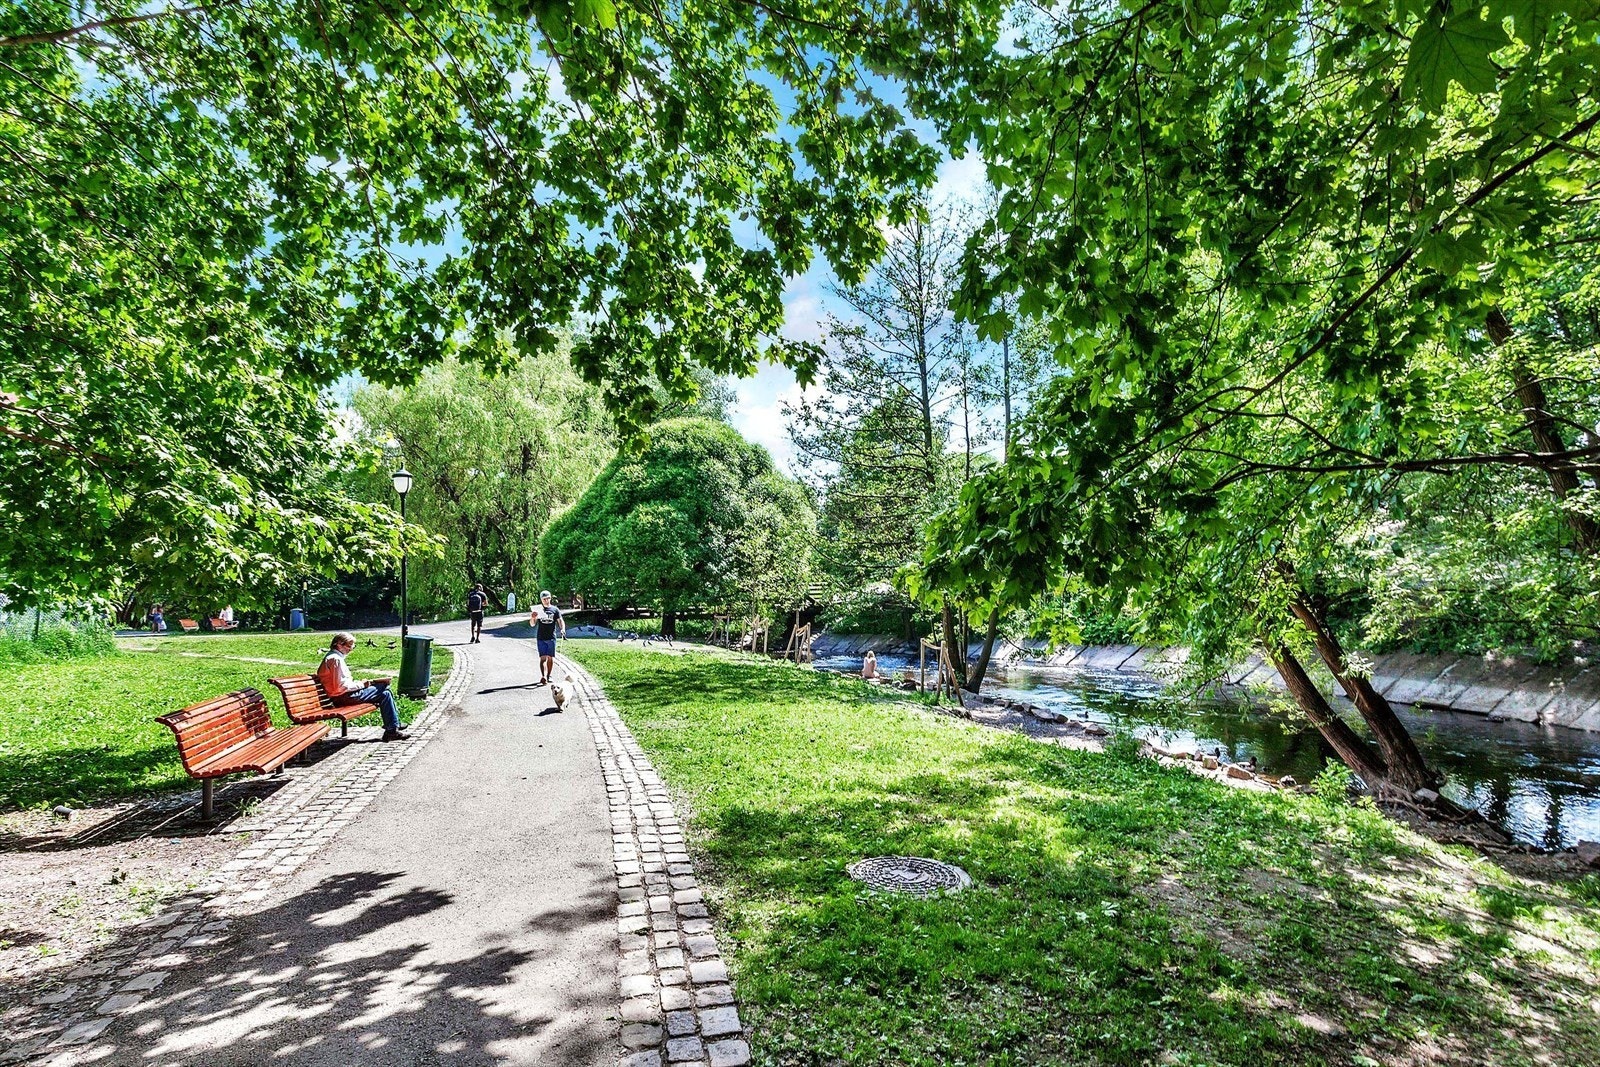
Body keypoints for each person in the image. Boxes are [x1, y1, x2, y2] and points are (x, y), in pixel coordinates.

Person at [318, 632, 407, 741]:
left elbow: (341, 683)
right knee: (383, 687)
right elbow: (339, 687)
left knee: (385, 693)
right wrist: (362, 684)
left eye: (352, 646)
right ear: (339, 645)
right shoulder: (335, 660)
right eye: (349, 645)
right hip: (343, 697)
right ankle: (392, 726)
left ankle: (392, 728)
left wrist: (364, 684)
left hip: (344, 695)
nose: (351, 649)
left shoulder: (335, 658)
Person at [530, 590, 565, 685]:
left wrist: (562, 629)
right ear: (541, 600)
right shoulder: (538, 610)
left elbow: (560, 620)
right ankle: (543, 676)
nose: (546, 600)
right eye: (544, 599)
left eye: (548, 598)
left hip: (551, 637)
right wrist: (533, 617)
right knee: (542, 658)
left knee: (550, 658)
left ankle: (549, 675)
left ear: (550, 598)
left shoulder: (555, 609)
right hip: (541, 637)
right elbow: (532, 624)